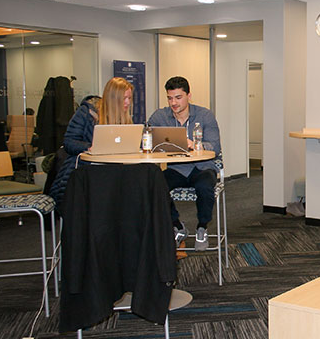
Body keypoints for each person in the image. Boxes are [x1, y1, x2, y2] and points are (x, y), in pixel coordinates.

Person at [148, 76, 221, 251]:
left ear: (189, 95)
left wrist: (194, 144)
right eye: (170, 98)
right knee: (155, 185)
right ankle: (177, 226)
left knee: (204, 187)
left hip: (203, 167)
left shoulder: (204, 115)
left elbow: (215, 147)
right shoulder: (160, 116)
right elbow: (145, 136)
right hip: (177, 168)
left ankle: (202, 227)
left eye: (178, 97)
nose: (174, 102)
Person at [49, 79, 132, 210]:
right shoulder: (86, 112)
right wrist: (89, 148)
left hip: (112, 172)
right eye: (124, 98)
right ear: (112, 98)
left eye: (129, 98)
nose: (127, 102)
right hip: (86, 170)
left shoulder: (125, 120)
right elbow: (69, 142)